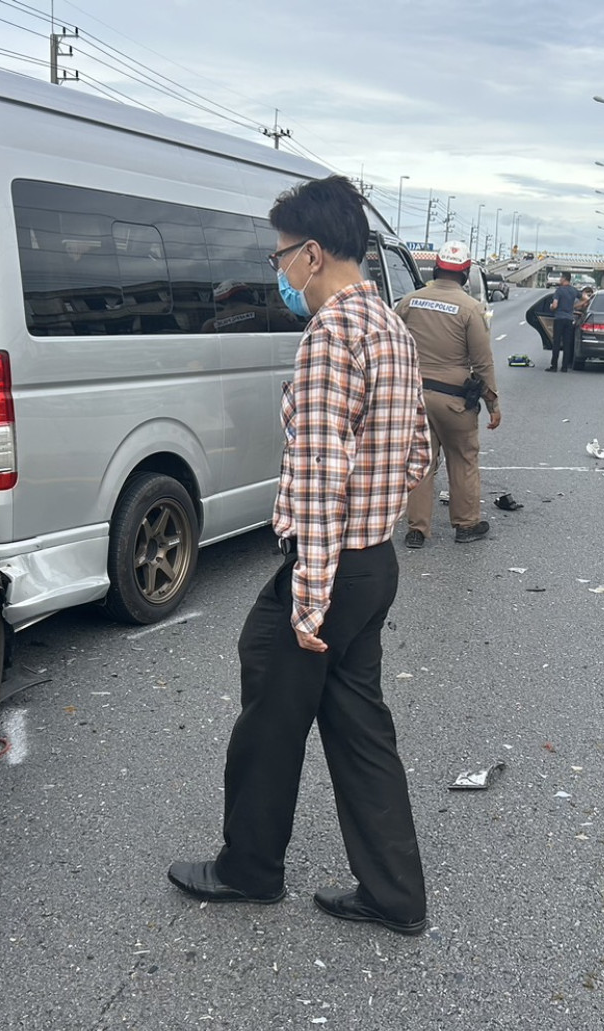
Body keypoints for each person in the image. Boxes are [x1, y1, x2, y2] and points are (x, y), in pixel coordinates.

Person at [167, 174, 433, 935]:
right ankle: (394, 893)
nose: (277, 271)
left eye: (280, 255)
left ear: (312, 254)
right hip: (373, 560)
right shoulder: (390, 326)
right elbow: (417, 451)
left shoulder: (330, 336)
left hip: (330, 568)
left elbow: (318, 475)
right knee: (358, 725)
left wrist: (310, 598)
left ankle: (249, 869)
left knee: (270, 710)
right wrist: (377, 509)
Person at [396, 239, 500, 548]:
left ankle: (416, 530)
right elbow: (482, 362)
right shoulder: (470, 308)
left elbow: (391, 343)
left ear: (436, 269)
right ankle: (466, 525)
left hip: (414, 396)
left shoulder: (409, 302)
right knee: (463, 459)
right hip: (454, 400)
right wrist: (492, 403)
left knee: (421, 462)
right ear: (465, 274)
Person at [546, 272, 580, 372]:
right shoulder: (573, 290)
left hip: (559, 319)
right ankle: (564, 367)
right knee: (567, 343)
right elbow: (586, 298)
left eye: (561, 277)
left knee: (556, 343)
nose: (559, 279)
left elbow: (555, 305)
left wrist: (551, 307)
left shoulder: (559, 291)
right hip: (569, 319)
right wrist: (574, 307)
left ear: (564, 279)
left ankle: (554, 366)